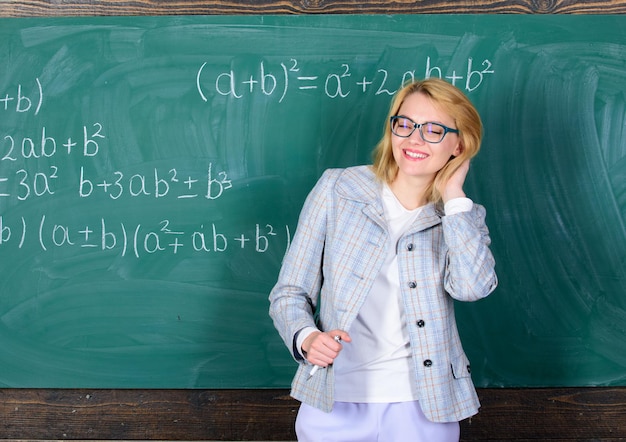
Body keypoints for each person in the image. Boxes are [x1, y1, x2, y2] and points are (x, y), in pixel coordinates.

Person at [269, 77, 498, 441]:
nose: (414, 139)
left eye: (434, 130)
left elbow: (471, 288)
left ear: (459, 145)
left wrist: (454, 196)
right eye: (405, 124)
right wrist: (307, 337)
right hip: (333, 401)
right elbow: (290, 292)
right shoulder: (338, 189)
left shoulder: (462, 218)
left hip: (425, 408)